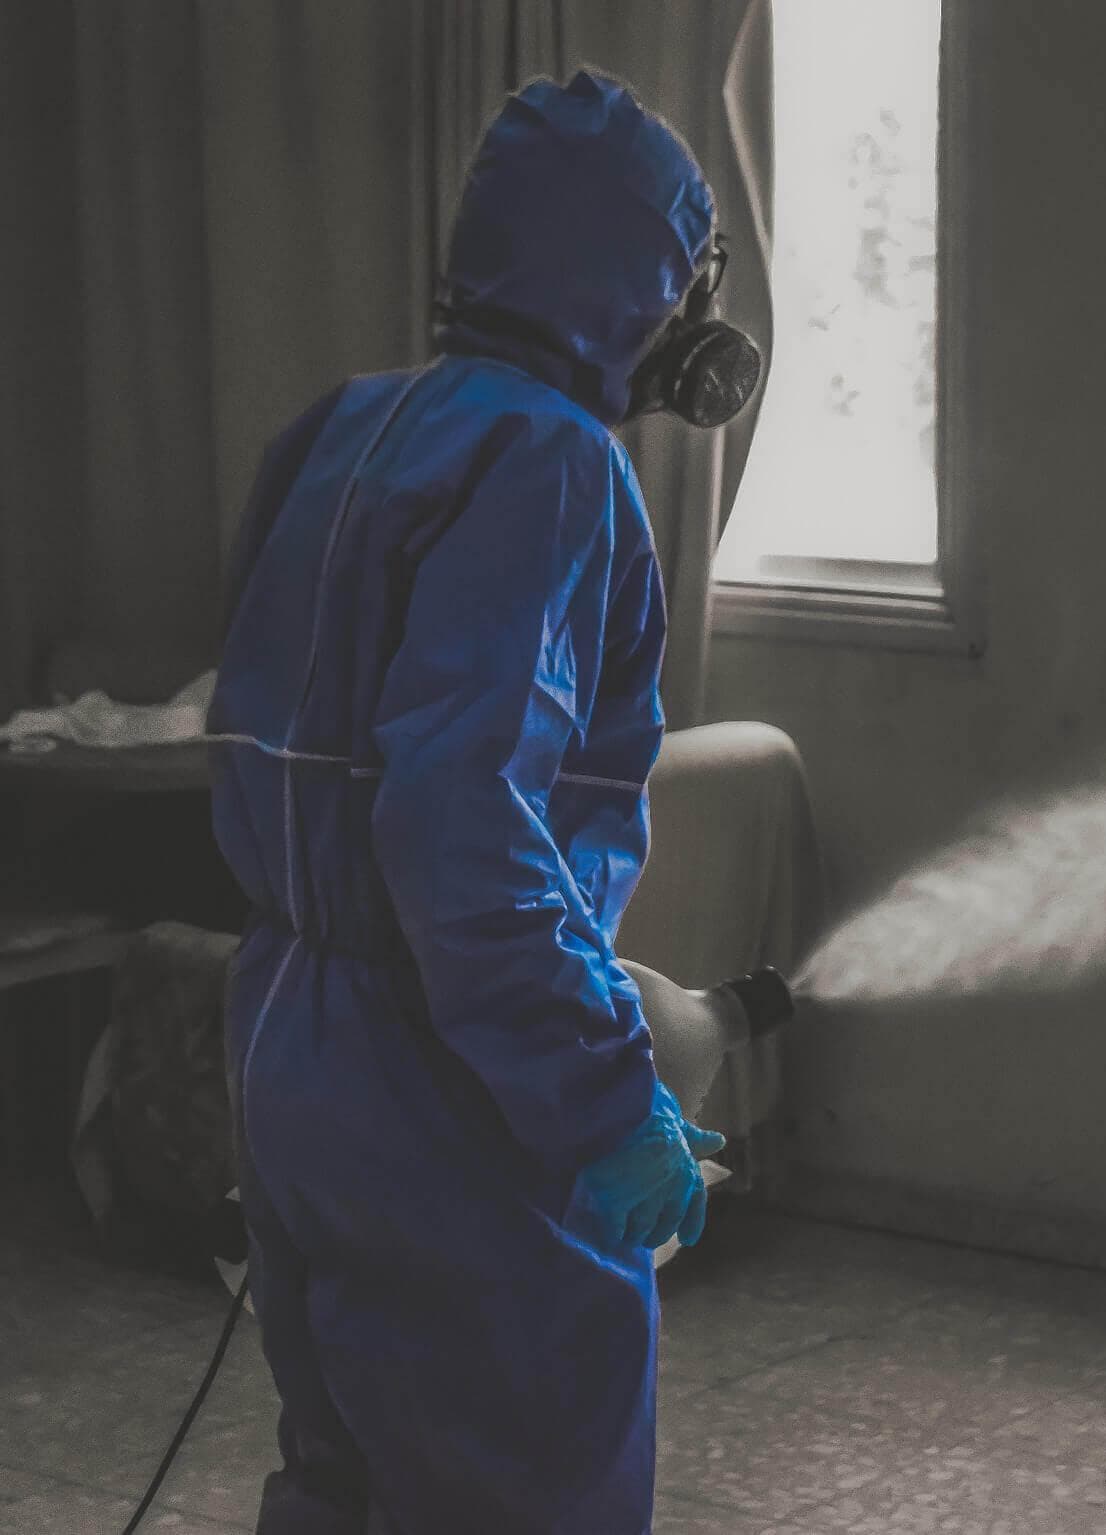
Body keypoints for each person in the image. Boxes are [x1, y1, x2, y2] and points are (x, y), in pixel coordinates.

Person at [208, 71, 752, 1534]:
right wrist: (601, 1097)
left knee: (344, 1472)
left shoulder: (341, 427)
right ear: (634, 280)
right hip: (439, 1071)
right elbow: (462, 824)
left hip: (286, 1040)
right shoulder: (555, 461)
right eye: (690, 274)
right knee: (520, 1480)